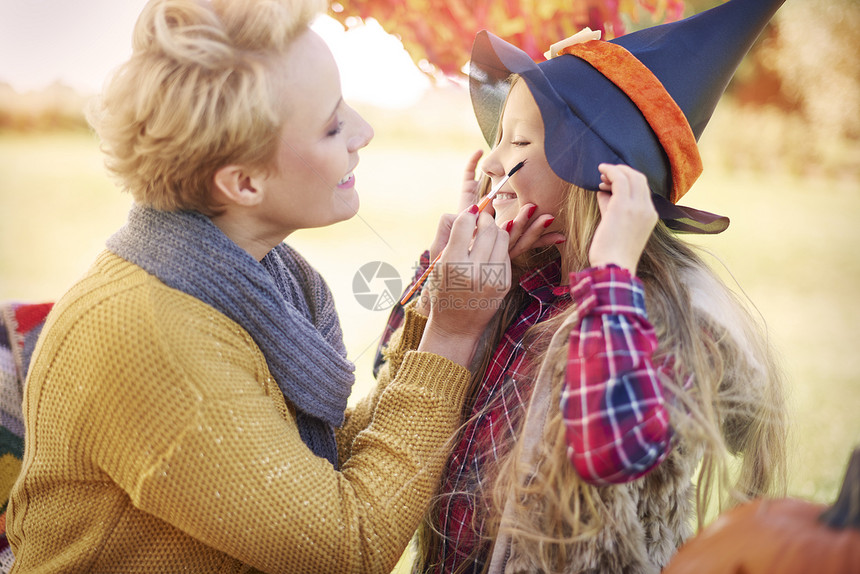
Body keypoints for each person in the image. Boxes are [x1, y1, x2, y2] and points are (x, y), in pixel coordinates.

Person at [4, 0, 550, 571]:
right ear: (242, 181)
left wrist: (437, 308)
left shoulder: (261, 279)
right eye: (332, 125)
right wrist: (451, 335)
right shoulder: (154, 337)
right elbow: (349, 546)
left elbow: (311, 472)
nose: (363, 132)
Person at [375, 0, 789, 572]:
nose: (493, 162)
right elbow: (392, 380)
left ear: (600, 172)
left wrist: (613, 275)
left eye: (519, 143)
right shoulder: (520, 282)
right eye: (499, 138)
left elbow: (613, 453)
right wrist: (446, 279)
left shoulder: (662, 315)